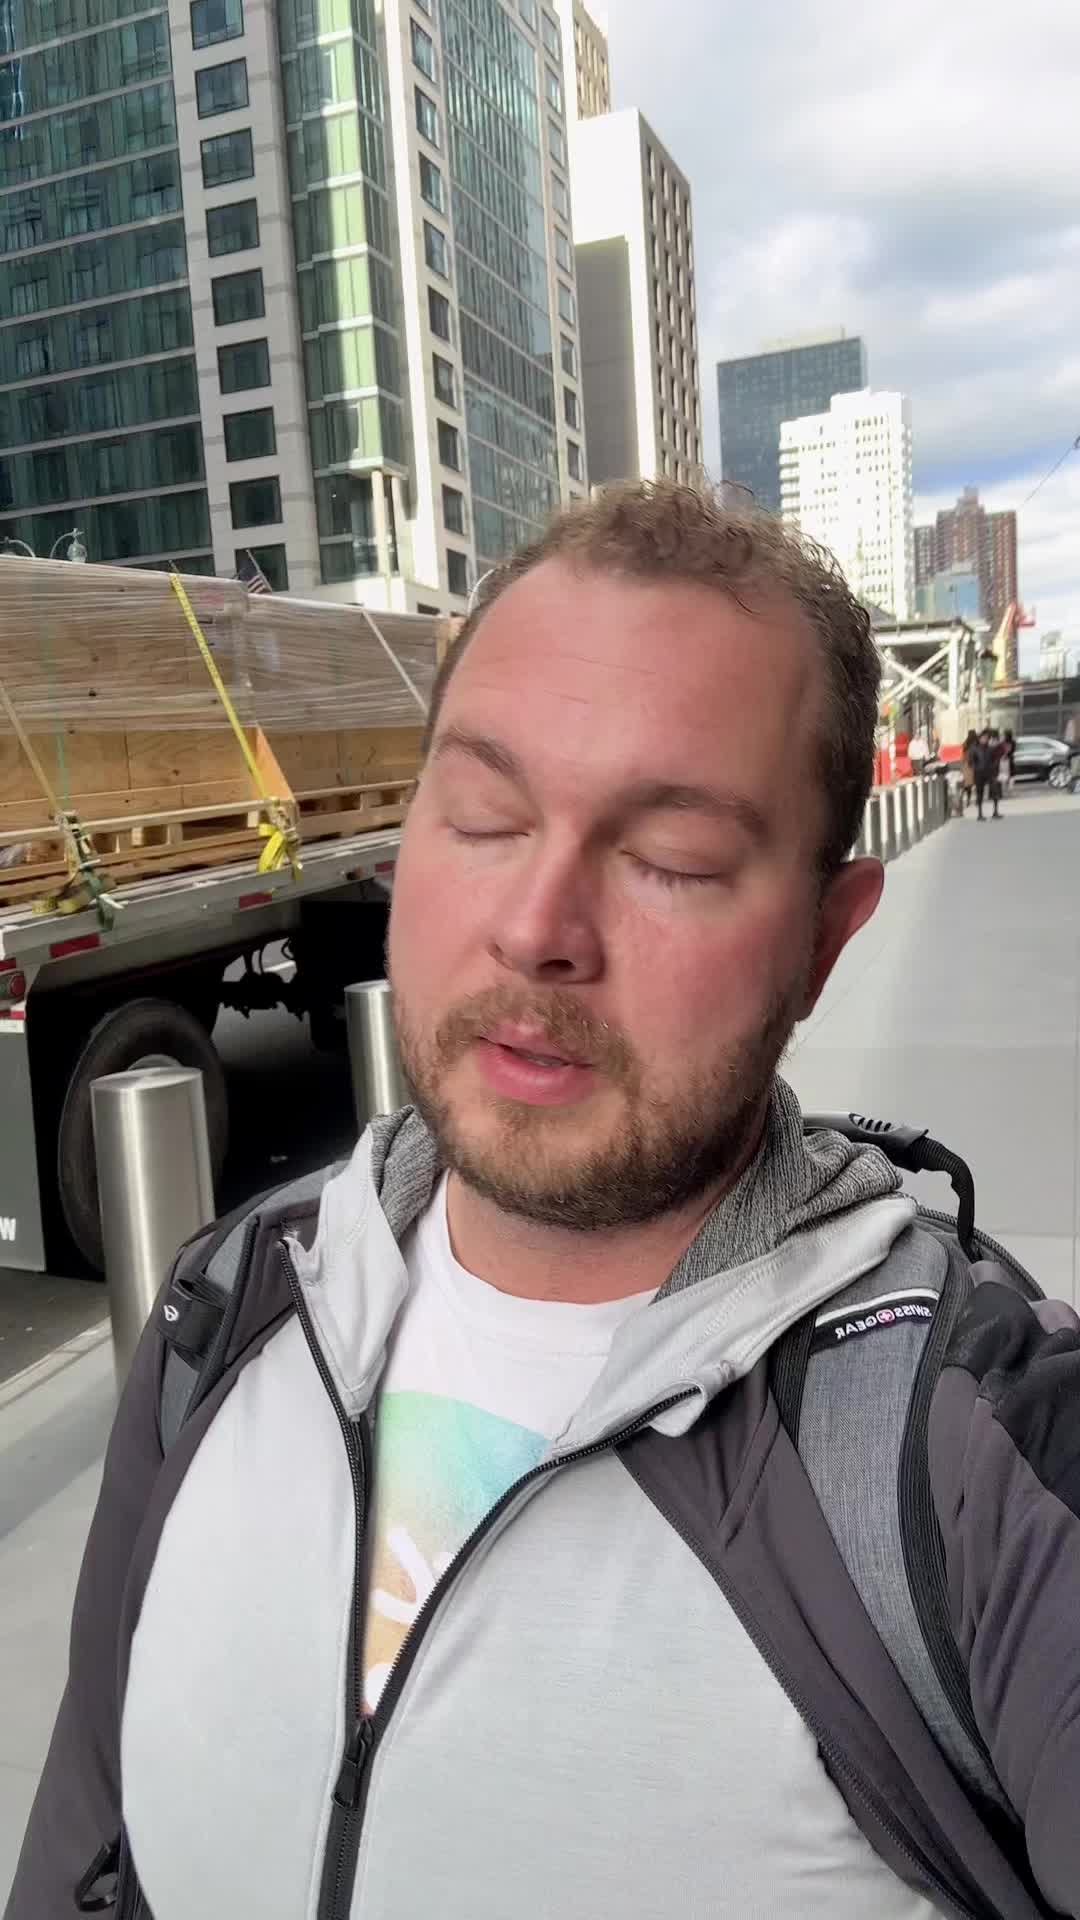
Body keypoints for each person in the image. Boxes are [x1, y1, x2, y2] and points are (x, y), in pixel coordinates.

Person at [9, 484, 1080, 1920]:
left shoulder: (970, 1452)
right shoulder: (232, 1308)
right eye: (483, 818)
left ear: (826, 946)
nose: (536, 929)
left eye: (671, 862)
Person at [971, 726, 1001, 820]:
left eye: (986, 738)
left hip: (990, 772)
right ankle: (980, 814)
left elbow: (995, 759)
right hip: (979, 773)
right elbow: (971, 761)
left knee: (994, 791)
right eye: (983, 738)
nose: (985, 740)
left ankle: (995, 812)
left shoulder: (991, 748)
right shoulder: (975, 749)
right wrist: (976, 768)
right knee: (980, 793)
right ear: (979, 739)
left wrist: (994, 767)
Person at [960, 727, 978, 810]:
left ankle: (968, 799)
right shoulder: (977, 743)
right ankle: (977, 799)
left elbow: (962, 755)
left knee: (967, 784)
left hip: (967, 765)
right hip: (975, 765)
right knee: (977, 783)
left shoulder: (965, 743)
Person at [999, 728, 1015, 795]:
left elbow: (1002, 751)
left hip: (1004, 760)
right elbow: (1013, 750)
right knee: (1011, 775)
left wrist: (1004, 755)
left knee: (1004, 774)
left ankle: (1004, 789)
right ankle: (1010, 789)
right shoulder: (1013, 742)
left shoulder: (1003, 742)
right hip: (1010, 759)